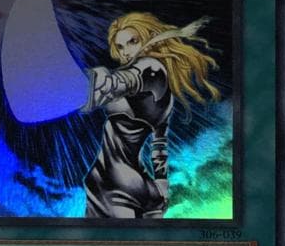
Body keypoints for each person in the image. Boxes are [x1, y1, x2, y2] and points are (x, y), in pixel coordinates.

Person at [83, 12, 219, 219]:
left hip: (111, 183)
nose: (126, 52)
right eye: (120, 47)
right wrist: (161, 182)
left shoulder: (150, 67)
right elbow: (159, 143)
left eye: (132, 42)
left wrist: (95, 80)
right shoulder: (165, 97)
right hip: (143, 186)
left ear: (147, 39)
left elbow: (121, 81)